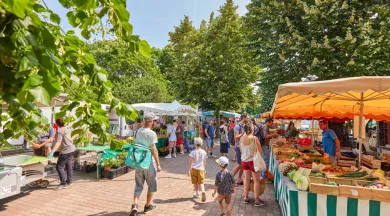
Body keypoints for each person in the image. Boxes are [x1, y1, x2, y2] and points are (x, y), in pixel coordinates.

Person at [129, 112, 162, 215]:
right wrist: (158, 164)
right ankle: (147, 205)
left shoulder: (137, 131)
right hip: (148, 162)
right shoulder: (151, 133)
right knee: (152, 184)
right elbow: (154, 150)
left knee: (138, 184)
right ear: (151, 121)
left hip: (138, 162)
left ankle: (135, 204)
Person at [48, 118, 76, 190]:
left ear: (57, 124)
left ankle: (63, 183)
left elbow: (59, 142)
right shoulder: (68, 128)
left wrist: (52, 152)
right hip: (72, 149)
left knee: (59, 166)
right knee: (68, 164)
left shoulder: (60, 130)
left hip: (66, 151)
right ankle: (69, 181)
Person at [240, 123, 264, 207]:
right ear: (252, 129)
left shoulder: (242, 138)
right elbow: (260, 151)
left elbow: (241, 149)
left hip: (244, 161)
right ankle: (257, 200)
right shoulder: (254, 138)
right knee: (256, 181)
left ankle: (245, 197)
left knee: (246, 179)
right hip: (253, 162)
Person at [232, 114, 250, 185]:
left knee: (242, 164)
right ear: (243, 118)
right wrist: (242, 133)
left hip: (243, 148)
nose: (248, 119)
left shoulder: (244, 126)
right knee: (240, 164)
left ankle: (239, 179)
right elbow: (236, 137)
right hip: (238, 147)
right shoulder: (237, 126)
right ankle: (229, 178)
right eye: (247, 118)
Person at [188, 137, 207, 202]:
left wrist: (189, 169)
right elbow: (204, 161)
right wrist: (204, 168)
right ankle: (203, 191)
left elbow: (190, 161)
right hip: (201, 169)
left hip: (194, 169)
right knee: (201, 182)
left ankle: (197, 193)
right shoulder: (203, 152)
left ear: (195, 144)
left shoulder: (193, 152)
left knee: (195, 182)